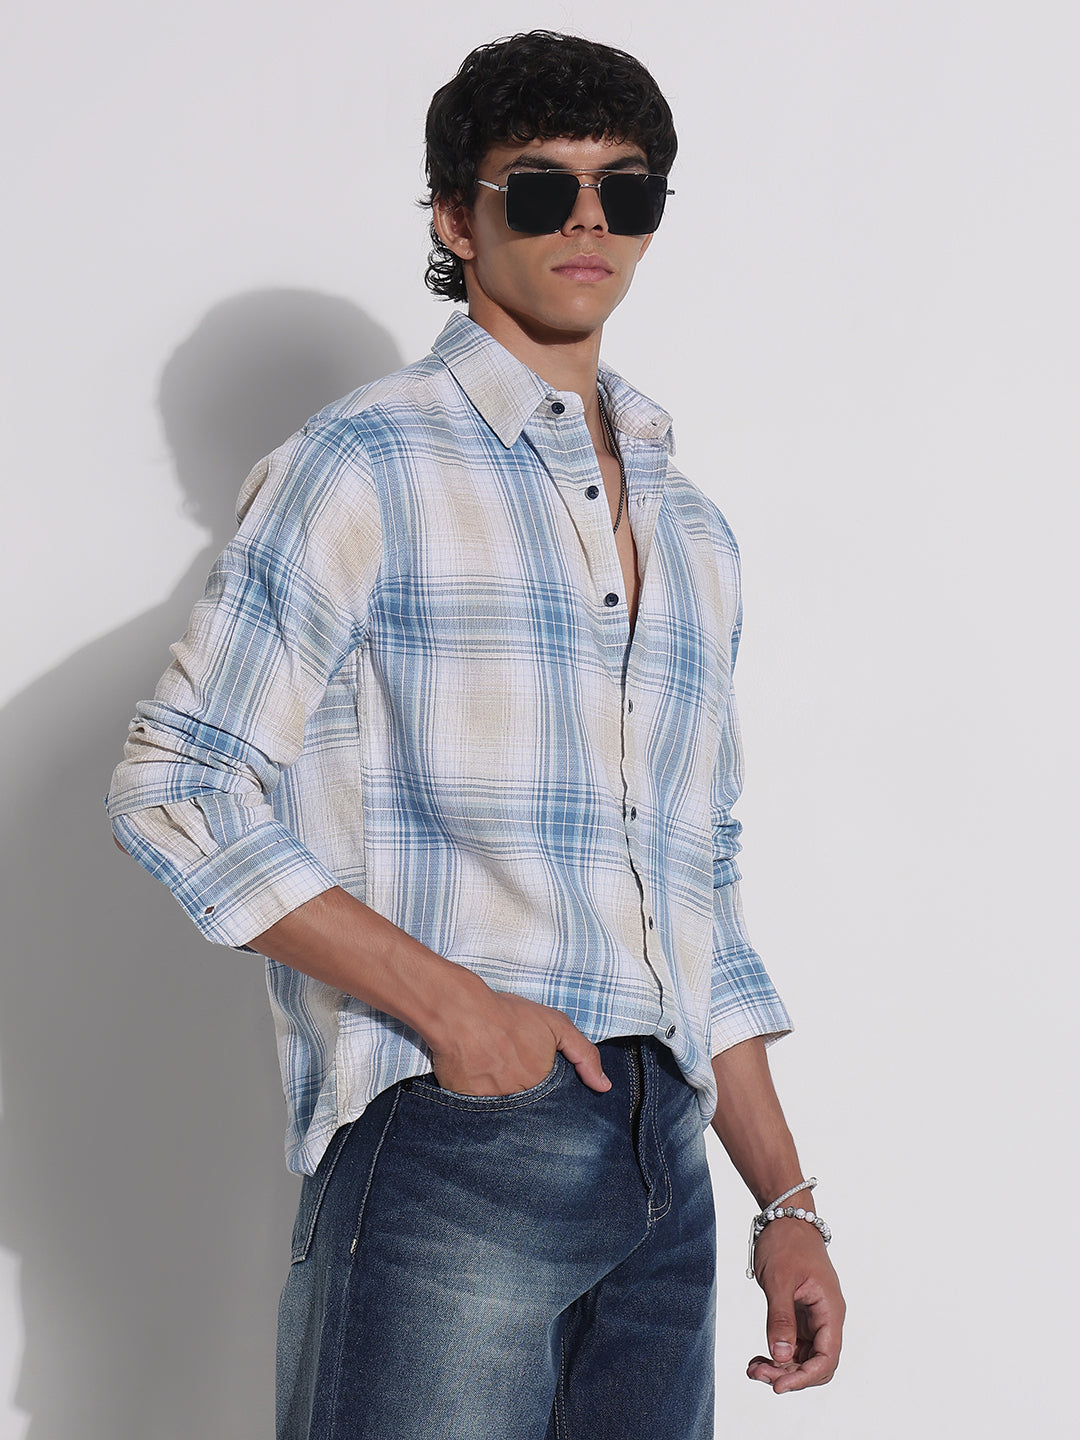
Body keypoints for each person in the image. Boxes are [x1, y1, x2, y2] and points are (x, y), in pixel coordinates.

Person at [108, 30, 845, 1440]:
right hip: (456, 1141)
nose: (589, 222)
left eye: (627, 191)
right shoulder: (364, 464)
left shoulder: (692, 530)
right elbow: (177, 784)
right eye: (542, 187)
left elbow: (699, 881)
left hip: (667, 1162)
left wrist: (785, 1201)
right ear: (457, 218)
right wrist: (458, 1012)